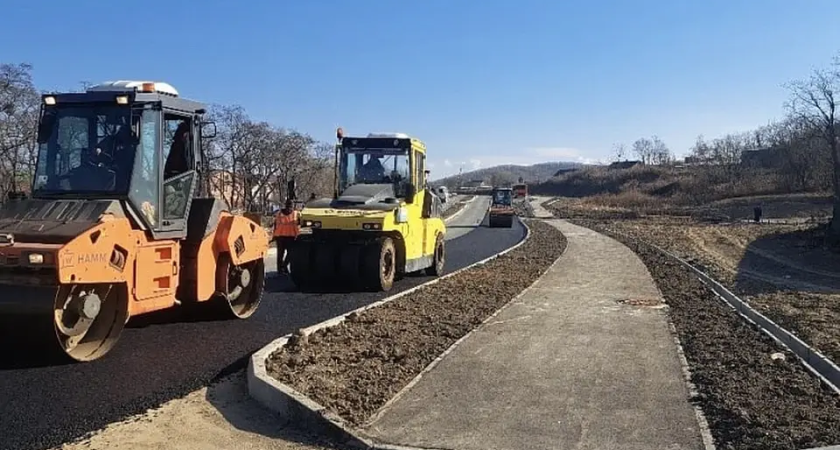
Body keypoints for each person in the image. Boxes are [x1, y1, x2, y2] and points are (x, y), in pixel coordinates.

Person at [273, 199, 299, 274]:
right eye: (289, 205)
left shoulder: (295, 214)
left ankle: (284, 266)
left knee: (291, 254)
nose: (289, 208)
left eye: (290, 206)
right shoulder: (279, 214)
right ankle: (280, 269)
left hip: (290, 237)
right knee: (280, 254)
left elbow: (298, 225)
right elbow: (275, 225)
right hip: (281, 237)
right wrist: (274, 235)